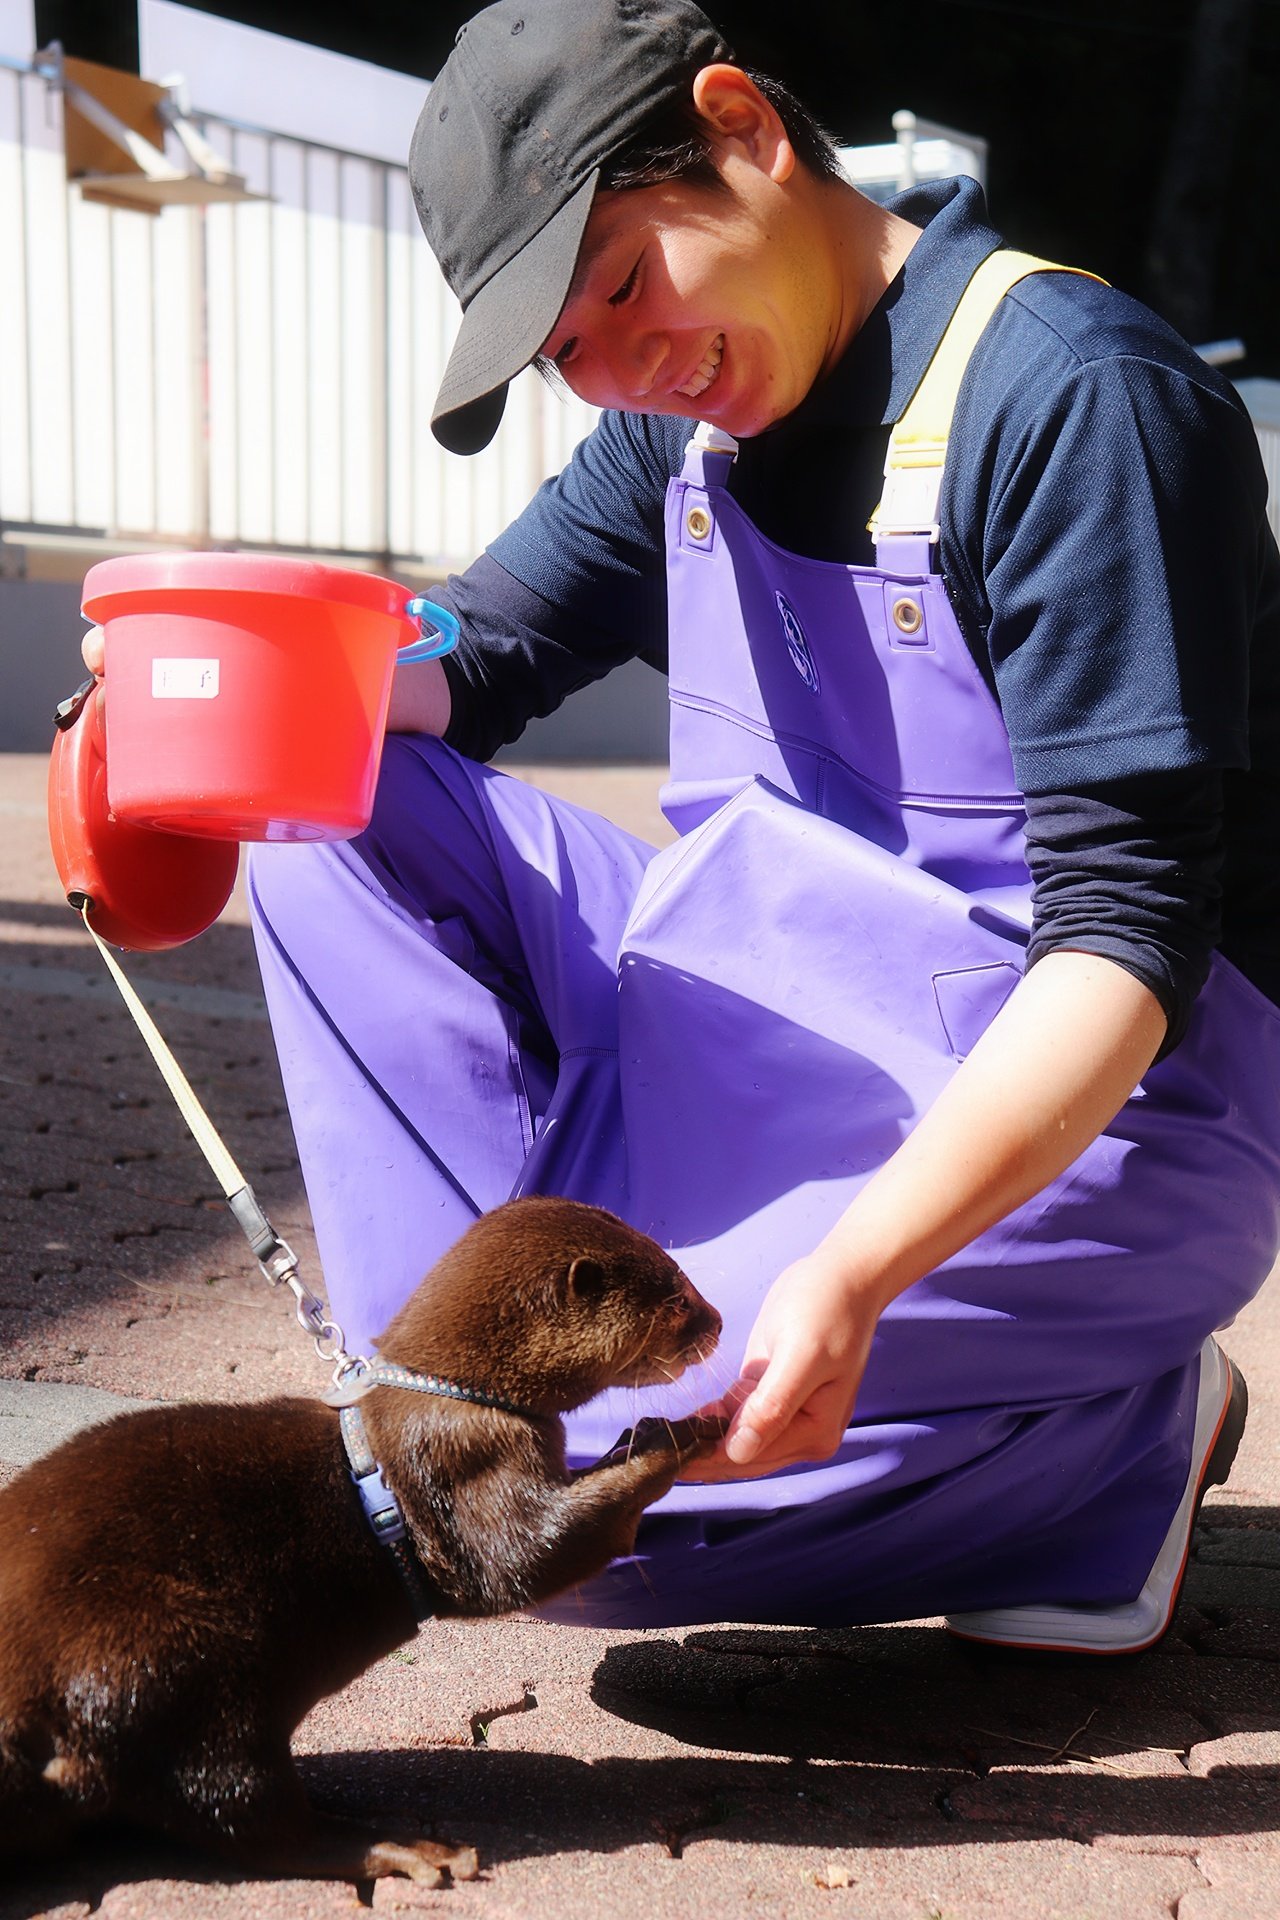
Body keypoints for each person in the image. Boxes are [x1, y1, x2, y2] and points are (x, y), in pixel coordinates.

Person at [243, 0, 1280, 1645]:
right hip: (766, 1023)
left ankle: (1116, 1448)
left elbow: (1127, 933)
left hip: (1102, 1098)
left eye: (622, 285)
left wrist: (852, 1276)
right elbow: (467, 660)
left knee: (606, 1534)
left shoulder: (1076, 402)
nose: (618, 367)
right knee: (317, 801)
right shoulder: (675, 432)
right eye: (567, 350)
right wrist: (207, 700)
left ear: (742, 128)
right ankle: (452, 1395)